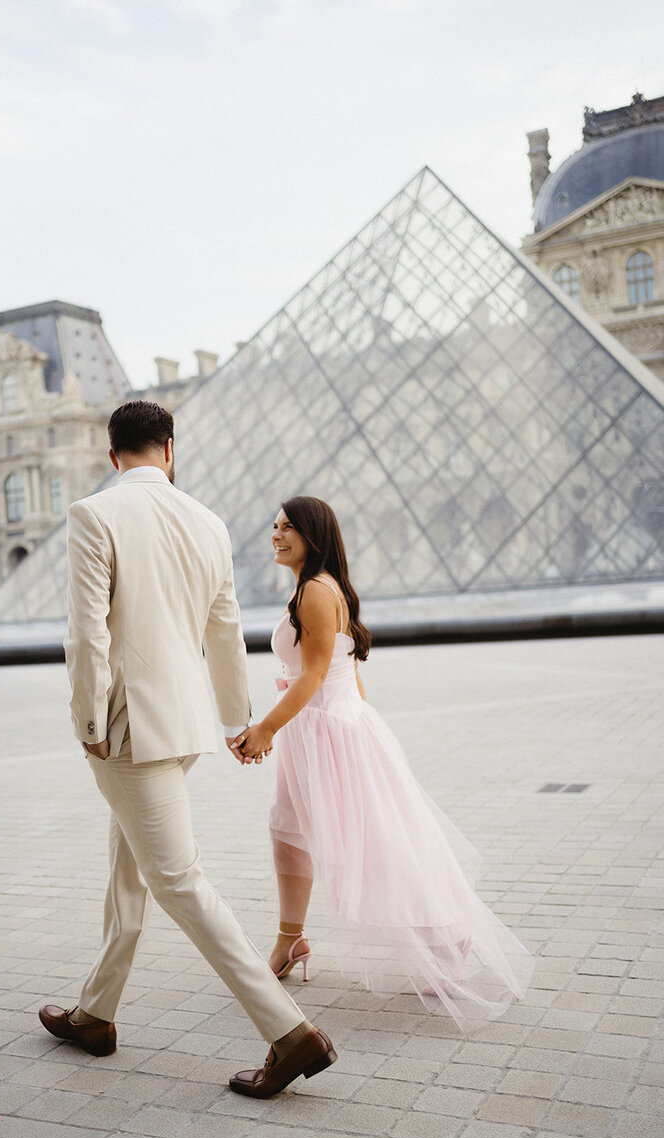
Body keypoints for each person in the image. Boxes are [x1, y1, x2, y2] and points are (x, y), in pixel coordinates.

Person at [38, 403, 336, 1098]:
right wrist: (238, 719)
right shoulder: (209, 522)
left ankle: (290, 1033)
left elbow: (87, 635)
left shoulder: (94, 515)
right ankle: (95, 1013)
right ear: (169, 449)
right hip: (185, 725)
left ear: (113, 456)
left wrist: (87, 722)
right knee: (129, 864)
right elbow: (224, 631)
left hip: (126, 727)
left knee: (175, 878)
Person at [232, 496, 534, 1030]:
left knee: (375, 843)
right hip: (326, 731)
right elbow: (341, 670)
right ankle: (290, 939)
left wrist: (266, 728)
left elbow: (314, 674)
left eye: (288, 528)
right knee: (287, 831)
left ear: (313, 534)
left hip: (328, 734)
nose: (276, 536)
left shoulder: (316, 593)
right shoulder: (317, 588)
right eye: (274, 527)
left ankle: (446, 934)